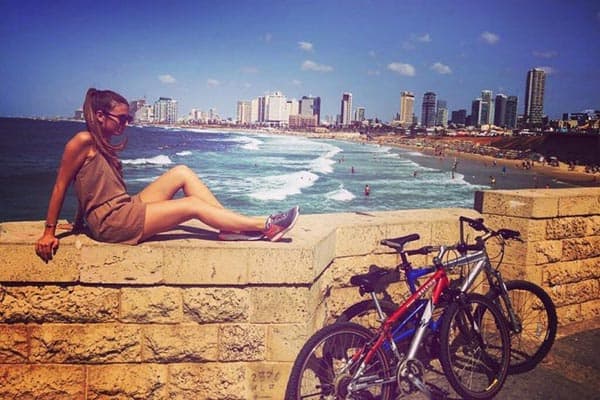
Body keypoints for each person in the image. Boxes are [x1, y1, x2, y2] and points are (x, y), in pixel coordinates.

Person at [35, 88, 299, 262]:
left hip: (122, 209)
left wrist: (82, 221)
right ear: (101, 116)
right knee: (192, 206)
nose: (127, 124)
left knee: (181, 172)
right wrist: (49, 232)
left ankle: (230, 228)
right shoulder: (82, 140)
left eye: (128, 119)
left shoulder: (102, 143)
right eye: (122, 118)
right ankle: (264, 225)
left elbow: (89, 188)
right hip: (113, 223)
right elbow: (62, 185)